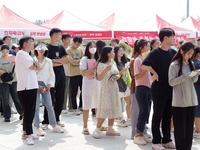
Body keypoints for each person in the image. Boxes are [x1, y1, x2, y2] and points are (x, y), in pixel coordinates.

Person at [142, 28, 176, 150]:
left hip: (171, 88)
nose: (174, 38)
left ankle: (167, 139)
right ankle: (156, 141)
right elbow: (145, 64)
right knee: (158, 115)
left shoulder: (173, 52)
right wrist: (154, 73)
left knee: (168, 115)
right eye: (173, 36)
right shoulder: (155, 52)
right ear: (165, 38)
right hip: (159, 89)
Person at [169, 42, 198, 150]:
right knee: (180, 128)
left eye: (191, 54)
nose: (190, 56)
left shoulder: (190, 63)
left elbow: (193, 80)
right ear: (182, 51)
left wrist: (195, 75)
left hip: (191, 100)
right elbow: (171, 82)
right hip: (180, 101)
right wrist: (185, 76)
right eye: (188, 53)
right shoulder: (174, 65)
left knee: (189, 128)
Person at [33, 43, 64, 136]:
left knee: (50, 105)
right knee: (36, 107)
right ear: (36, 49)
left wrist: (50, 85)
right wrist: (36, 85)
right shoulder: (32, 60)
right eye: (39, 48)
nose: (41, 50)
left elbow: (51, 74)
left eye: (43, 49)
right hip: (35, 85)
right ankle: (37, 127)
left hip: (46, 84)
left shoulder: (48, 61)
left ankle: (54, 125)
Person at [41, 28, 68, 129]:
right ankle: (46, 120)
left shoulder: (61, 47)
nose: (61, 37)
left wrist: (54, 61)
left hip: (61, 76)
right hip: (50, 78)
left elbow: (67, 60)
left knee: (60, 99)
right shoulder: (46, 48)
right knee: (49, 99)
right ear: (53, 35)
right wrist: (58, 61)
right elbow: (47, 63)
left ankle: (57, 119)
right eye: (59, 35)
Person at [93, 46, 122, 139]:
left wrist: (117, 76)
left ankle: (110, 128)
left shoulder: (113, 63)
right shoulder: (101, 64)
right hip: (106, 87)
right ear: (108, 53)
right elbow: (99, 78)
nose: (114, 53)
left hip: (113, 86)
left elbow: (116, 73)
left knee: (113, 106)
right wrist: (106, 70)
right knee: (106, 107)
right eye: (112, 51)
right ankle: (97, 129)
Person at [15, 35, 40, 145]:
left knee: (30, 110)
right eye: (31, 42)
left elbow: (37, 66)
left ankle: (26, 132)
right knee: (29, 111)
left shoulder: (29, 55)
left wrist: (35, 64)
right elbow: (32, 67)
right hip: (26, 87)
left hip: (31, 86)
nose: (33, 44)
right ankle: (29, 134)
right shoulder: (21, 54)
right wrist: (35, 64)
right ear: (25, 43)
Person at [133, 39, 152, 145]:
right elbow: (136, 76)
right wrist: (146, 69)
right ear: (141, 48)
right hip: (141, 88)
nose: (149, 47)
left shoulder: (144, 59)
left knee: (147, 111)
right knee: (143, 111)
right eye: (147, 45)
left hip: (148, 88)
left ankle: (142, 132)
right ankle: (138, 134)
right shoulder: (138, 60)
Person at [80, 41, 99, 135]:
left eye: (94, 46)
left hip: (97, 83)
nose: (93, 48)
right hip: (87, 83)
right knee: (86, 105)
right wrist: (93, 68)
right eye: (91, 46)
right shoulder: (84, 59)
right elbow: (83, 73)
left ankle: (98, 126)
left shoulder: (98, 59)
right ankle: (85, 126)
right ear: (87, 48)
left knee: (98, 105)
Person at [0, 44, 23, 122]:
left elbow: (20, 65)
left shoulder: (13, 58)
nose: (5, 53)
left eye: (6, 51)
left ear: (9, 51)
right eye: (3, 51)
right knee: (5, 98)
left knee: (16, 97)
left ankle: (22, 113)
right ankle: (7, 115)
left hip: (14, 80)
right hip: (3, 81)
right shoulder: (0, 59)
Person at [113, 46, 131, 127]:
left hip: (125, 83)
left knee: (129, 102)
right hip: (117, 84)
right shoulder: (113, 62)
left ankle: (129, 118)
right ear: (116, 52)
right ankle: (119, 119)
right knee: (119, 103)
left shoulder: (124, 61)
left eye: (122, 50)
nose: (122, 52)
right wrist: (122, 71)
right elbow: (115, 73)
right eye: (120, 50)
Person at [67, 36, 83, 115]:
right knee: (73, 91)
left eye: (79, 44)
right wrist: (78, 61)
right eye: (76, 44)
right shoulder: (68, 50)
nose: (77, 46)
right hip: (73, 73)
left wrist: (77, 61)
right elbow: (71, 61)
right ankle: (74, 107)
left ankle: (81, 106)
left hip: (81, 73)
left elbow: (83, 60)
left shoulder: (80, 49)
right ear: (73, 42)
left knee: (83, 90)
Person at [61, 34, 73, 113]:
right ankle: (63, 107)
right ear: (64, 40)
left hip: (72, 72)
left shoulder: (72, 49)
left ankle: (71, 106)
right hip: (64, 72)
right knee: (64, 91)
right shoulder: (61, 48)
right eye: (68, 39)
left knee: (71, 90)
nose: (70, 40)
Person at [193, 47, 200, 138]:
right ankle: (198, 131)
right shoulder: (198, 64)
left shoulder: (191, 62)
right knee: (198, 110)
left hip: (193, 88)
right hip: (198, 88)